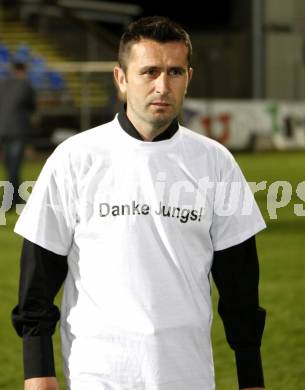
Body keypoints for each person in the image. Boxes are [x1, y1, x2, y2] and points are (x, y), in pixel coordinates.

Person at [11, 16, 266, 390]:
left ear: (188, 79)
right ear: (121, 79)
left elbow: (240, 285)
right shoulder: (75, 158)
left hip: (187, 373)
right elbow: (38, 275)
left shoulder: (215, 162)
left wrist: (251, 377)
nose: (163, 86)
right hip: (97, 373)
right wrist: (37, 370)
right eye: (149, 72)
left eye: (175, 72)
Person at [0, 61, 36, 207]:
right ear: (23, 71)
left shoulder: (3, 85)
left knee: (9, 166)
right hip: (17, 131)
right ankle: (9, 201)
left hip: (3, 130)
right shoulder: (26, 85)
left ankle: (15, 199)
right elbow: (31, 107)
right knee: (14, 166)